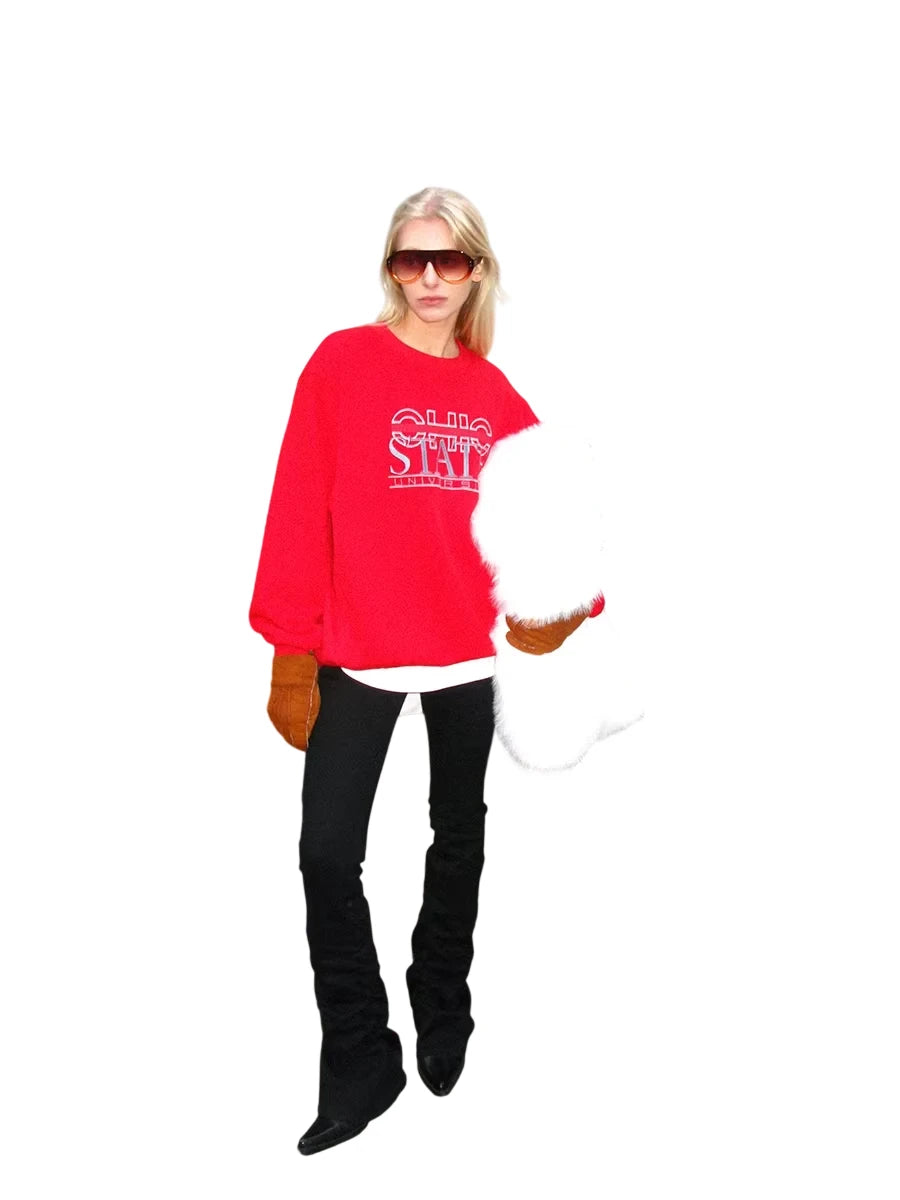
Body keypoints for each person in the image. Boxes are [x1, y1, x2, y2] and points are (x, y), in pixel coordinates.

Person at [249, 187, 590, 1156]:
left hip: (464, 653)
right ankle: (362, 1054)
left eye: (450, 260)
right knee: (327, 854)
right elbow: (298, 502)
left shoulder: (493, 393)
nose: (430, 278)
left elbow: (553, 513)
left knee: (459, 836)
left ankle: (442, 997)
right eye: (411, 259)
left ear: (477, 271)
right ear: (391, 267)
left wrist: (565, 606)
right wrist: (290, 645)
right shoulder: (341, 364)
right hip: (358, 647)